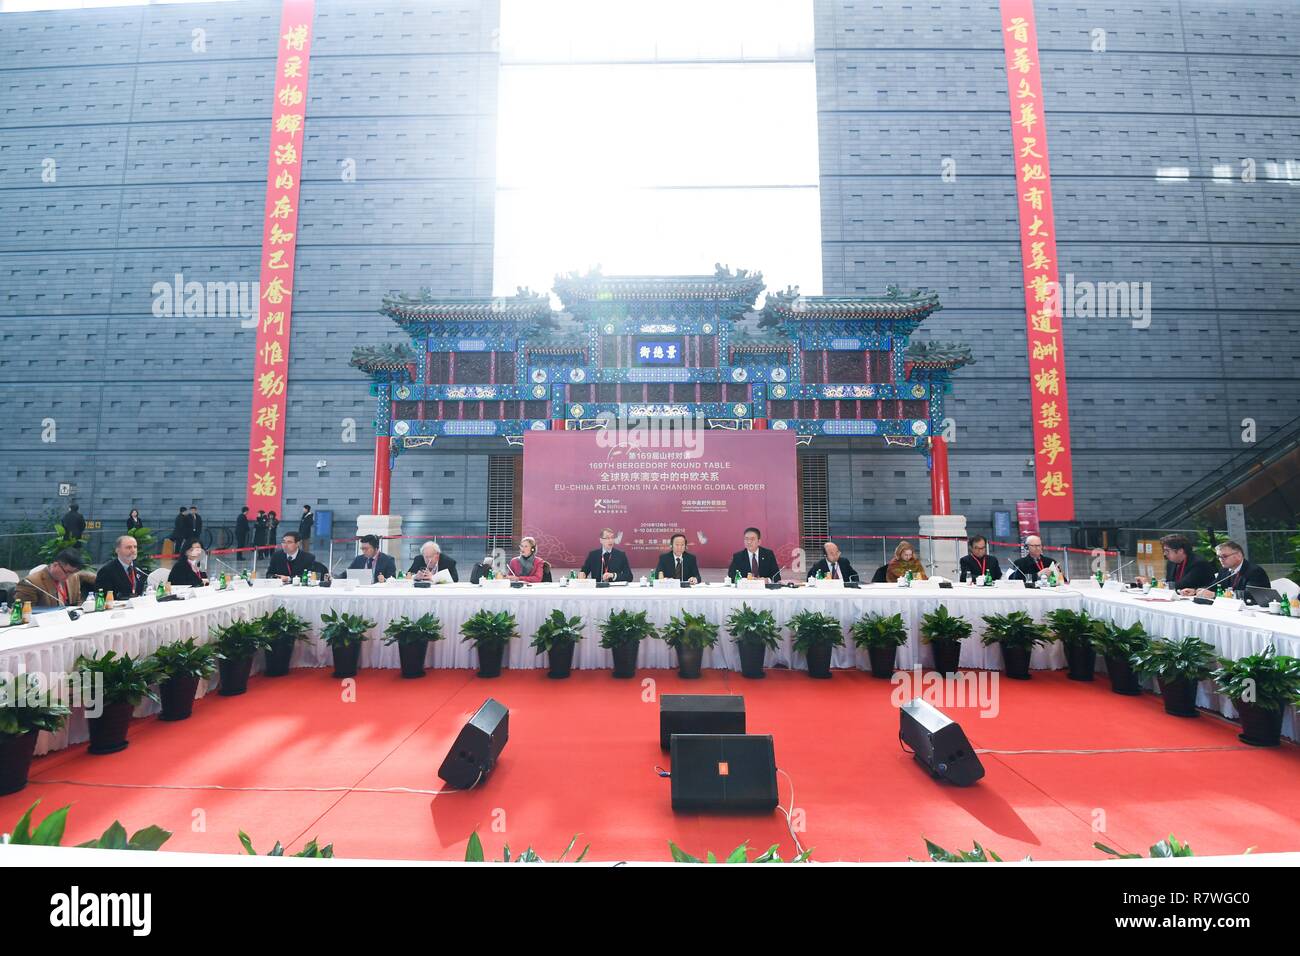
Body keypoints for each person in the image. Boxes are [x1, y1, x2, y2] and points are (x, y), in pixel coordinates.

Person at [1187, 539, 1269, 599]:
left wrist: (1215, 595)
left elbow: (1250, 595)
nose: (1221, 559)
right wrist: (1196, 590)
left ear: (1239, 555)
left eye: (1224, 556)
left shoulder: (1255, 571)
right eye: (1219, 557)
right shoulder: (1224, 570)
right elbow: (1213, 587)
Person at [1135, 534, 1211, 591]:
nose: (1164, 554)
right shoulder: (1171, 562)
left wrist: (1150, 584)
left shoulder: (1198, 564)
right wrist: (1147, 584)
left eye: (1167, 551)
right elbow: (1169, 582)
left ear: (1180, 551)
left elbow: (1181, 585)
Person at [16, 549, 90, 608]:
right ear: (55, 565)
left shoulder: (73, 577)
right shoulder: (31, 583)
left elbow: (77, 602)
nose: (69, 576)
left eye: (73, 573)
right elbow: (24, 612)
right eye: (67, 572)